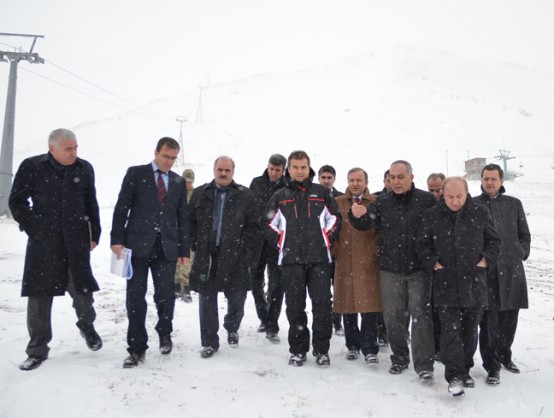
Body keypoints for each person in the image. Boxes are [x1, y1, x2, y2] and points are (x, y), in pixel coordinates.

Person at [9, 128, 102, 371]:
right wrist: (35, 228)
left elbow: (90, 202)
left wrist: (94, 234)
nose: (73, 153)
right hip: (44, 244)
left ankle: (87, 326)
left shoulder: (84, 168)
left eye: (76, 148)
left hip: (76, 242)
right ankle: (37, 350)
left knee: (83, 293)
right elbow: (16, 201)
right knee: (39, 298)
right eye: (68, 149)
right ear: (52, 149)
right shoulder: (32, 166)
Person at [349, 160, 436, 380]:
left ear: (411, 178)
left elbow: (440, 226)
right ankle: (399, 358)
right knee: (393, 316)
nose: (396, 182)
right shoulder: (383, 201)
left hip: (419, 269)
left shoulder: (426, 200)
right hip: (390, 269)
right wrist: (355, 215)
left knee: (420, 316)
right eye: (392, 178)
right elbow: (365, 223)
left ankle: (424, 365)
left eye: (401, 177)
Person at [416, 177, 501, 396]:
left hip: (474, 283)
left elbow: (494, 241)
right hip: (445, 283)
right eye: (450, 197)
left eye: (459, 196)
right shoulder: (433, 215)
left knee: (470, 331)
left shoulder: (480, 212)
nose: (454, 201)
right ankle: (454, 375)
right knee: (450, 331)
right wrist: (433, 263)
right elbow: (422, 244)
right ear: (443, 195)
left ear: (467, 193)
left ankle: (465, 369)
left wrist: (486, 260)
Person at [111, 137, 190, 368]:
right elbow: (122, 207)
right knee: (135, 298)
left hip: (166, 248)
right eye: (166, 156)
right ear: (156, 152)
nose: (169, 162)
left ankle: (165, 332)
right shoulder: (136, 174)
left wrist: (183, 249)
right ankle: (136, 348)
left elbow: (182, 217)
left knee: (165, 296)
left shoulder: (178, 182)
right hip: (137, 247)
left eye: (173, 158)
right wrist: (117, 239)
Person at [265, 151, 341, 367]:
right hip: (291, 262)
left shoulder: (322, 193)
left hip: (319, 260)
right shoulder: (280, 196)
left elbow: (335, 219)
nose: (299, 171)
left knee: (322, 306)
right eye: (295, 167)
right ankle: (298, 350)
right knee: (295, 307)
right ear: (288, 169)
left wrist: (324, 239)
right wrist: (283, 243)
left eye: (303, 167)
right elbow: (268, 224)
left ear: (309, 168)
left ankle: (321, 350)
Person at [188, 156, 260, 358]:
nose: (223, 173)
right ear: (214, 170)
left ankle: (232, 326)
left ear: (233, 172)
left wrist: (243, 247)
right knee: (207, 299)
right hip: (207, 256)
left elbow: (254, 226)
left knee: (238, 297)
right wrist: (195, 242)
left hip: (235, 256)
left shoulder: (245, 195)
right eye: (220, 169)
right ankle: (209, 342)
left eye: (227, 170)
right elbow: (190, 222)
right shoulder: (200, 194)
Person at [476, 163, 531, 383]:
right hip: (485, 272)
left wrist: (521, 252)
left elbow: (524, 234)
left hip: (511, 270)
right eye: (486, 178)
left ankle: (505, 355)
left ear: (501, 181)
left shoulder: (514, 204)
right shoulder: (473, 204)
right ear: (481, 180)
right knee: (488, 321)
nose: (489, 182)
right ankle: (491, 366)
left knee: (510, 318)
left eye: (493, 179)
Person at [333, 168, 382, 364]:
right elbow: (331, 228)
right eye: (351, 180)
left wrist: (375, 251)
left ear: (366, 182)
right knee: (348, 305)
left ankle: (370, 348)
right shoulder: (338, 202)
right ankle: (352, 345)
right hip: (345, 259)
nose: (355, 184)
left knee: (370, 307)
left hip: (368, 262)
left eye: (359, 180)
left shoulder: (375, 202)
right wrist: (336, 250)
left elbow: (381, 230)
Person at [249, 154, 288, 343]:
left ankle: (272, 325)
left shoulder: (287, 187)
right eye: (271, 169)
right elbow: (249, 209)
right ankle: (263, 317)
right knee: (255, 282)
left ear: (283, 170)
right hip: (256, 241)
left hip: (277, 241)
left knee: (276, 285)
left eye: (277, 170)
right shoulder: (257, 183)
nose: (273, 173)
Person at [318, 164, 344, 336]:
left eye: (329, 178)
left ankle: (337, 322)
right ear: (318, 178)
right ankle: (324, 321)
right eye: (323, 178)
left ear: (334, 179)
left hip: (337, 250)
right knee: (322, 291)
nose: (326, 181)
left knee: (339, 288)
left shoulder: (340, 198)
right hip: (318, 251)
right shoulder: (313, 196)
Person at [426, 172, 446, 361]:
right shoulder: (426, 208)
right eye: (431, 190)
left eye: (438, 189)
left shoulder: (455, 205)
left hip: (452, 268)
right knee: (431, 311)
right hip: (430, 267)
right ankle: (435, 347)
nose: (435, 194)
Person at [175, 168, 196, 303]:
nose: (188, 184)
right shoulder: (176, 192)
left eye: (190, 182)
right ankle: (176, 286)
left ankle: (186, 288)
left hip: (189, 233)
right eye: (186, 182)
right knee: (176, 261)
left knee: (187, 261)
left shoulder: (195, 195)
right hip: (176, 231)